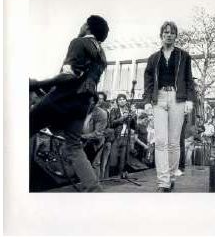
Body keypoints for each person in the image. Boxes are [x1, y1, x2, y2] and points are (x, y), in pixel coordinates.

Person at [29, 15, 109, 192]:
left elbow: (69, 75)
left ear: (87, 26)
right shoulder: (102, 55)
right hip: (81, 106)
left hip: (61, 100)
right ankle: (95, 191)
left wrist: (37, 84)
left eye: (83, 23)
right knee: (74, 147)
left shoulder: (79, 42)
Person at [143, 21, 195, 192]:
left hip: (177, 98)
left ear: (175, 35)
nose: (169, 35)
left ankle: (171, 177)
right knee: (160, 141)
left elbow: (189, 79)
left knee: (173, 142)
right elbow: (148, 82)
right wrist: (147, 102)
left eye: (172, 32)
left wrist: (190, 100)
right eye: (166, 32)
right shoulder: (153, 58)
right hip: (158, 99)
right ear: (161, 35)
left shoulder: (183, 56)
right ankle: (163, 181)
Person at [109, 93, 137, 178]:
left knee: (123, 160)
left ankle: (120, 177)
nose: (122, 101)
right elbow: (111, 123)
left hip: (125, 138)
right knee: (113, 160)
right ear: (117, 102)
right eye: (120, 99)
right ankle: (111, 177)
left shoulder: (129, 111)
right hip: (116, 137)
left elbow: (134, 127)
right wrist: (123, 118)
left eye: (123, 99)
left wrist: (133, 117)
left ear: (126, 101)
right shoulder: (114, 110)